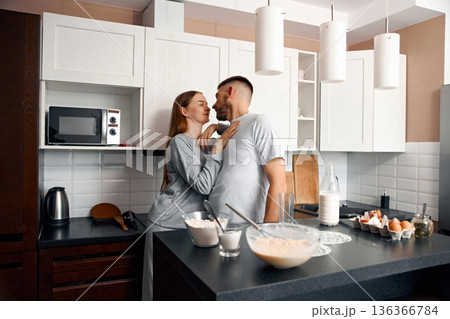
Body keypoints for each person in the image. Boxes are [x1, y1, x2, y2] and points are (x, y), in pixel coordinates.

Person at [142, 90, 239, 300]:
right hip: (167, 225)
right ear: (184, 111)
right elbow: (203, 186)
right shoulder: (180, 142)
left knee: (184, 291)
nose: (208, 107)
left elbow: (237, 131)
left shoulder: (209, 142)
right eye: (200, 103)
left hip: (194, 227)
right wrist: (219, 145)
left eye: (207, 103)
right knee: (159, 287)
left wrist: (214, 127)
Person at [204, 76, 286, 223]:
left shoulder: (260, 122)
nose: (214, 105)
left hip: (244, 226)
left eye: (217, 97)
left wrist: (268, 232)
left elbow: (279, 182)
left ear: (230, 92)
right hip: (214, 221)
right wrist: (215, 126)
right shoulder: (230, 130)